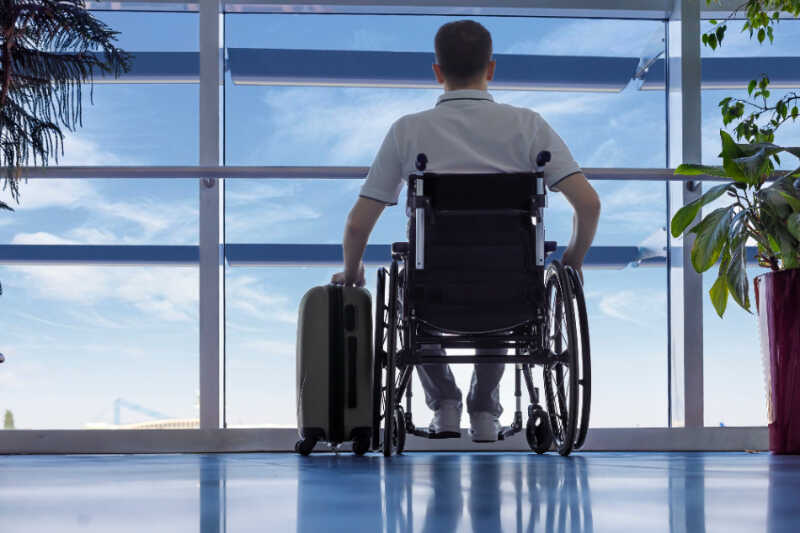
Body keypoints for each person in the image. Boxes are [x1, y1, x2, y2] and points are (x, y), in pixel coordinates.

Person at [331, 20, 600, 442]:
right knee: (508, 287)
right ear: (490, 68)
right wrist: (574, 261)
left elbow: (357, 222)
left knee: (407, 293)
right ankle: (484, 410)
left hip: (434, 294)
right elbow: (589, 203)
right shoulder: (530, 127)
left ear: (437, 72)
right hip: (513, 295)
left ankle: (445, 404)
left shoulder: (408, 131)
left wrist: (352, 270)